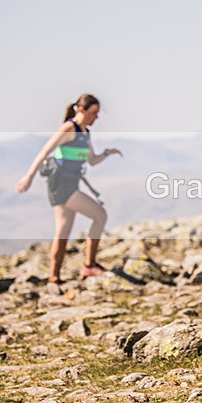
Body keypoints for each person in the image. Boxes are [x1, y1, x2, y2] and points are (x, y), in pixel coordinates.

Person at [15, 94, 121, 284]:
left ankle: (54, 277)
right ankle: (89, 265)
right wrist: (29, 176)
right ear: (82, 110)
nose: (96, 118)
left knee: (63, 231)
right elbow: (44, 152)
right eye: (93, 113)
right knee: (100, 215)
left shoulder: (85, 133)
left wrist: (107, 153)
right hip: (62, 185)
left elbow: (92, 161)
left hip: (71, 184)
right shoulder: (69, 128)